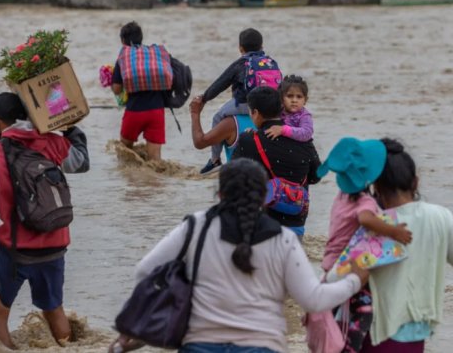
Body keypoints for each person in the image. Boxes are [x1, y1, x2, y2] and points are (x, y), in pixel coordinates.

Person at [110, 158, 368, 353]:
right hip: (262, 344)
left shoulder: (196, 227)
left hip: (200, 343)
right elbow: (313, 300)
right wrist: (354, 280)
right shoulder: (283, 239)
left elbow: (145, 270)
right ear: (265, 198)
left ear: (220, 193)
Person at [0, 92, 90, 349]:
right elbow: (82, 163)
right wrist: (68, 126)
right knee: (54, 311)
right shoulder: (53, 143)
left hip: (15, 250)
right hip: (56, 246)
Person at [364, 139, 453, 352]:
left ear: (376, 186)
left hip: (371, 333)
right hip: (413, 336)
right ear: (415, 182)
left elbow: (340, 277)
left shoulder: (372, 222)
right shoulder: (440, 217)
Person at [317, 137, 413, 351]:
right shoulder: (365, 203)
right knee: (362, 313)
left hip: (330, 266)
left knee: (337, 319)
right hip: (347, 269)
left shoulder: (341, 197)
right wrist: (394, 231)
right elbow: (366, 220)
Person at [232, 86, 320, 236]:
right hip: (295, 223)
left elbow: (232, 178)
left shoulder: (248, 140)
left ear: (255, 113)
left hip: (261, 222)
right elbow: (316, 176)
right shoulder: (304, 140)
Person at [199, 28, 280, 174]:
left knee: (217, 117)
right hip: (270, 105)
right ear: (262, 47)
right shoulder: (271, 63)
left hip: (246, 104)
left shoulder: (241, 63)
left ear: (241, 48)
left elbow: (220, 83)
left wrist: (204, 98)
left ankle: (215, 160)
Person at [111, 21, 187, 162]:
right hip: (156, 112)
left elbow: (116, 89)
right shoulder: (154, 54)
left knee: (124, 152)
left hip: (135, 111)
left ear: (123, 41)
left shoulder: (124, 57)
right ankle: (154, 183)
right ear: (141, 38)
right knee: (155, 161)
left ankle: (126, 183)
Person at [189, 95, 255, 161]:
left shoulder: (230, 123)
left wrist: (194, 113)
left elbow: (200, 143)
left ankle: (215, 160)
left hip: (238, 170)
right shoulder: (263, 120)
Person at [264, 75, 313, 142]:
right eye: (290, 96)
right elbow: (266, 124)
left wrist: (283, 130)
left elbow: (306, 133)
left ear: (305, 100)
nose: (294, 100)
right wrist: (255, 132)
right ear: (281, 98)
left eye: (299, 97)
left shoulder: (304, 116)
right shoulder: (278, 111)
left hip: (298, 149)